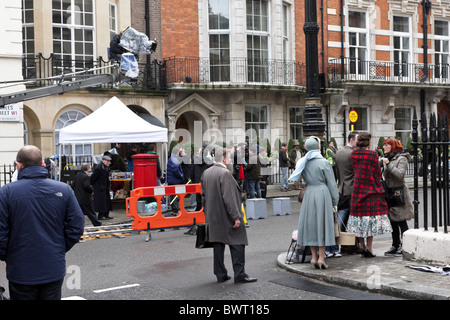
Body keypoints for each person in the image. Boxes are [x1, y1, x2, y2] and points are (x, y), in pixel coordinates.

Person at [0, 145, 85, 300]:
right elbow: (77, 227)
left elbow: (1, 233)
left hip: (20, 271)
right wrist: (58, 248)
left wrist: (9, 256)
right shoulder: (64, 190)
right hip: (52, 267)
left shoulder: (6, 192)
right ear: (43, 164)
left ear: (19, 166)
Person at [201, 149, 257, 283]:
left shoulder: (206, 172)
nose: (231, 160)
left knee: (218, 245)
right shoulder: (225, 173)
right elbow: (229, 197)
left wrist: (206, 212)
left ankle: (220, 274)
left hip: (212, 215)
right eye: (230, 157)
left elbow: (203, 196)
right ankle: (240, 274)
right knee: (238, 242)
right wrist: (236, 217)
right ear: (224, 159)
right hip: (226, 215)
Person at [288, 136, 339, 269]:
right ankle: (321, 258)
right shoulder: (324, 163)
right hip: (322, 193)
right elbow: (332, 185)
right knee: (322, 225)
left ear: (306, 147)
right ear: (318, 147)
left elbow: (297, 179)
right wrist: (335, 201)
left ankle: (314, 258)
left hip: (309, 193)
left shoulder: (303, 162)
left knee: (311, 225)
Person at [347, 132, 392, 258]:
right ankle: (369, 248)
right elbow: (377, 172)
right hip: (370, 188)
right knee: (369, 219)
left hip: (357, 189)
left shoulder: (354, 154)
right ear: (369, 142)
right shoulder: (373, 154)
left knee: (359, 218)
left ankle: (362, 247)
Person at [325, 132, 358, 258]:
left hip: (342, 188)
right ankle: (349, 246)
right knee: (351, 221)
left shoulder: (338, 152)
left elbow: (337, 172)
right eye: (357, 140)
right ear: (351, 140)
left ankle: (335, 246)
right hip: (352, 190)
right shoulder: (353, 154)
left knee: (339, 221)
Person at [380, 138, 414, 256]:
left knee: (401, 220)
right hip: (389, 192)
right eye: (384, 145)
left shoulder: (402, 158)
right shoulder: (388, 158)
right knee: (392, 221)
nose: (384, 147)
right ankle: (395, 245)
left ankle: (405, 245)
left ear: (393, 146)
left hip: (398, 191)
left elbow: (400, 175)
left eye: (386, 145)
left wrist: (388, 164)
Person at [91, 154, 113, 220]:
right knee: (101, 202)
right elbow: (93, 178)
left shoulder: (106, 168)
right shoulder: (99, 168)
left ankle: (106, 214)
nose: (109, 163)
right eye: (107, 161)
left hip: (105, 187)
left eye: (109, 161)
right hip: (100, 187)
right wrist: (95, 185)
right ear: (103, 161)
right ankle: (101, 215)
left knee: (106, 201)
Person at [167, 146, 185, 215]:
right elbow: (176, 170)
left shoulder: (172, 158)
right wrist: (181, 176)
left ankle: (174, 209)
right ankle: (175, 210)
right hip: (175, 181)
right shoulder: (174, 159)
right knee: (175, 196)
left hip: (172, 180)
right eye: (180, 151)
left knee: (173, 196)